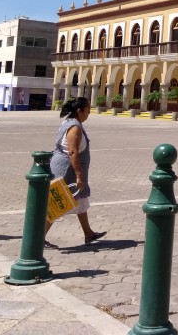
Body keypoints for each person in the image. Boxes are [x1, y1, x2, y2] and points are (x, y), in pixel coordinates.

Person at [45, 97, 106, 248]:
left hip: (66, 167)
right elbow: (73, 152)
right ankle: (38, 237)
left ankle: (88, 233)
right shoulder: (74, 127)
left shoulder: (68, 122)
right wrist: (79, 175)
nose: (88, 114)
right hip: (67, 170)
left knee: (81, 201)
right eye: (87, 110)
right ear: (79, 111)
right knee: (58, 204)